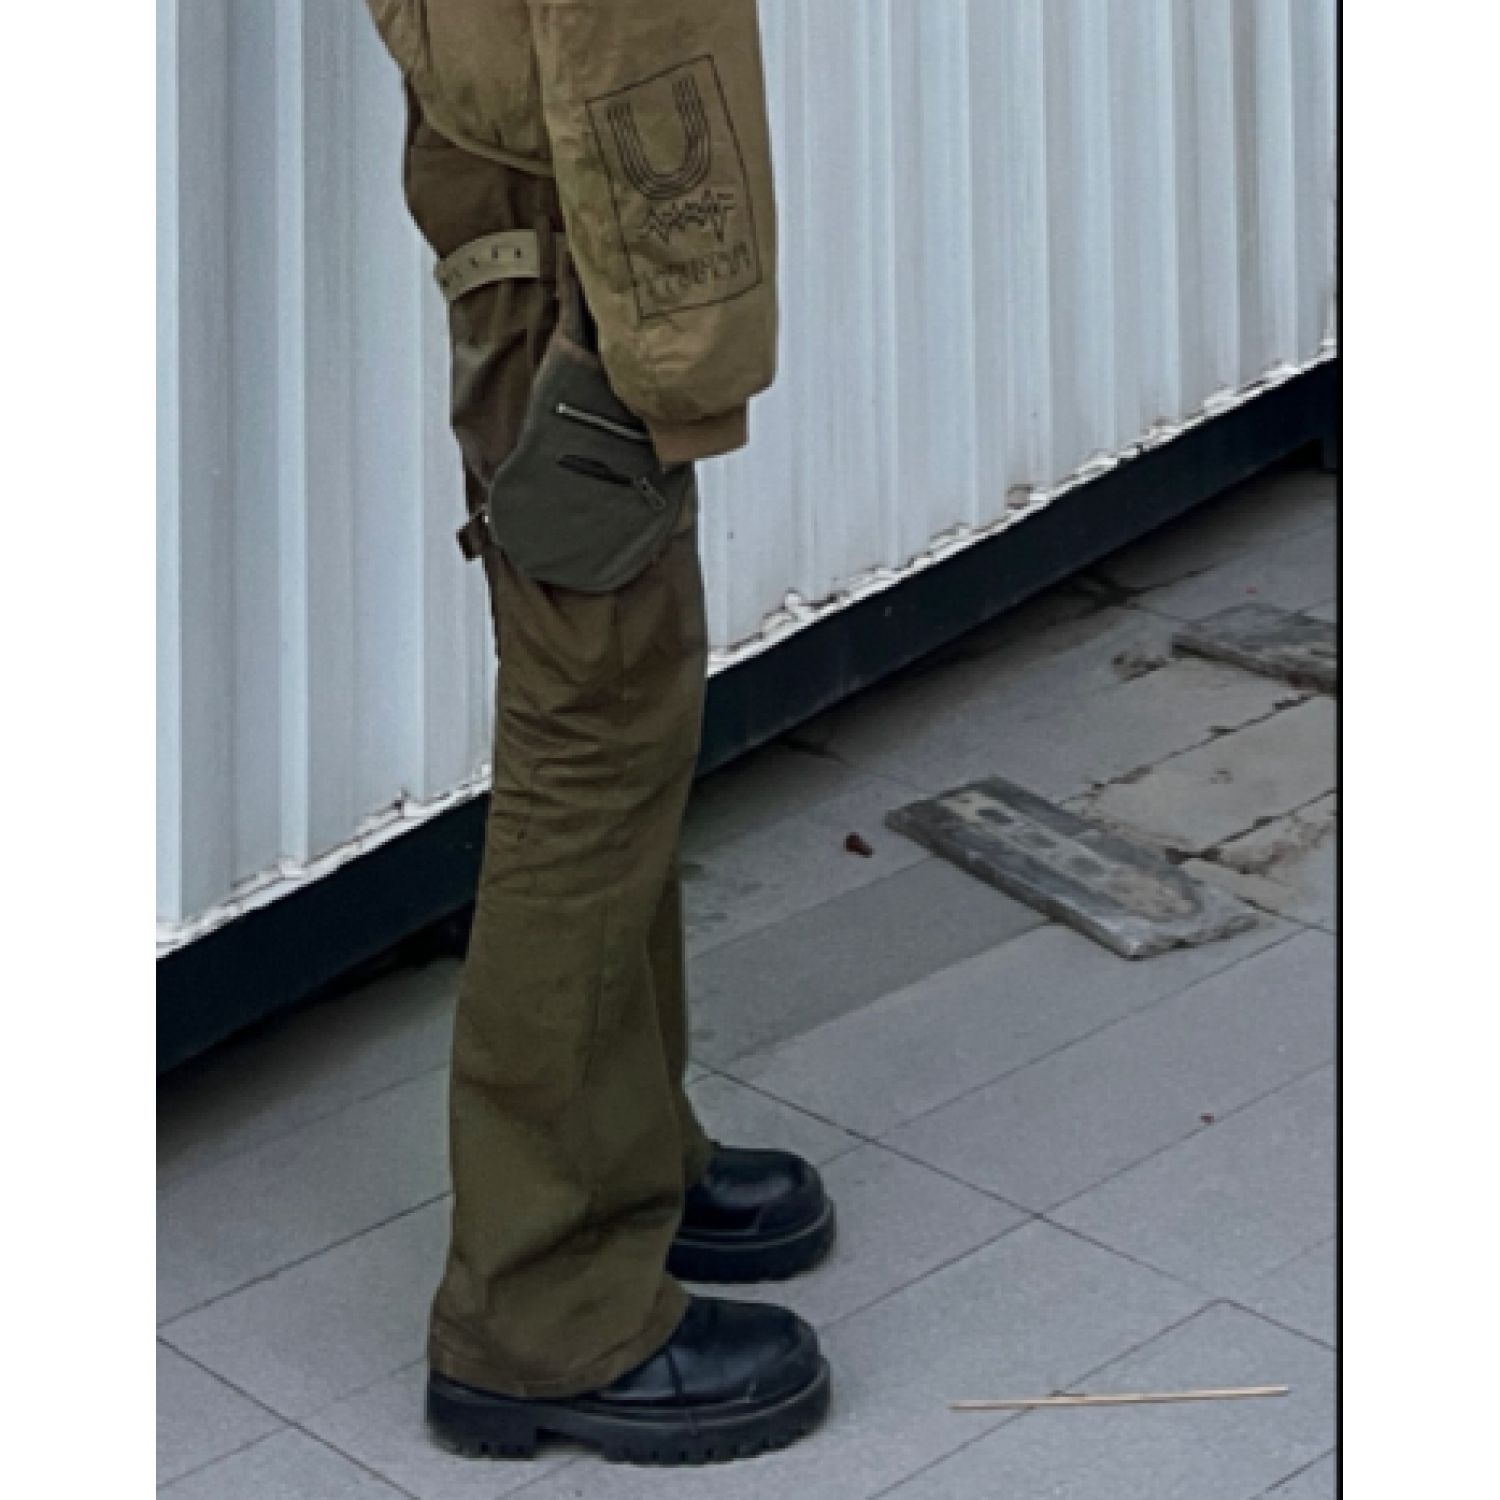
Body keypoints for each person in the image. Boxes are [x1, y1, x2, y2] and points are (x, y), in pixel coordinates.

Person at [362, 0, 834, 1466]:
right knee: (591, 729)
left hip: (565, 161)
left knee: (627, 702)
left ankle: (625, 1156)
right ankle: (541, 1303)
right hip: (564, 188)